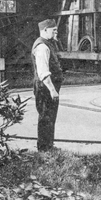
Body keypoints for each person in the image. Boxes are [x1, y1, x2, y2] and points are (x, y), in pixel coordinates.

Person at [31, 18, 63, 152]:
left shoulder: (48, 44)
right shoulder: (42, 47)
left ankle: (48, 146)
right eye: (53, 30)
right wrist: (52, 90)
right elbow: (43, 72)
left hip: (48, 88)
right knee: (46, 117)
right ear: (45, 30)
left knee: (50, 117)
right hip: (45, 88)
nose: (56, 33)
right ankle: (44, 148)